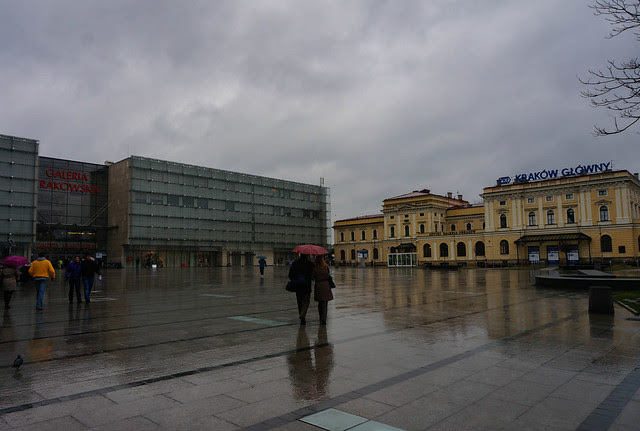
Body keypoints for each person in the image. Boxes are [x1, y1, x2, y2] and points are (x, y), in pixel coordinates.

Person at [288, 254, 314, 325]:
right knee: (306, 302)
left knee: (299, 302)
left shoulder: (295, 263)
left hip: (298, 285)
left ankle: (302, 316)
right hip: (307, 286)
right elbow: (313, 276)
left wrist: (295, 279)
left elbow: (290, 275)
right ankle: (302, 315)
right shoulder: (310, 264)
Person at [312, 255, 334, 325]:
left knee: (320, 303)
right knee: (325, 304)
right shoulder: (326, 267)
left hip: (318, 286)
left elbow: (312, 277)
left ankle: (321, 317)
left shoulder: (315, 269)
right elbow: (328, 275)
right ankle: (323, 318)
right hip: (326, 286)